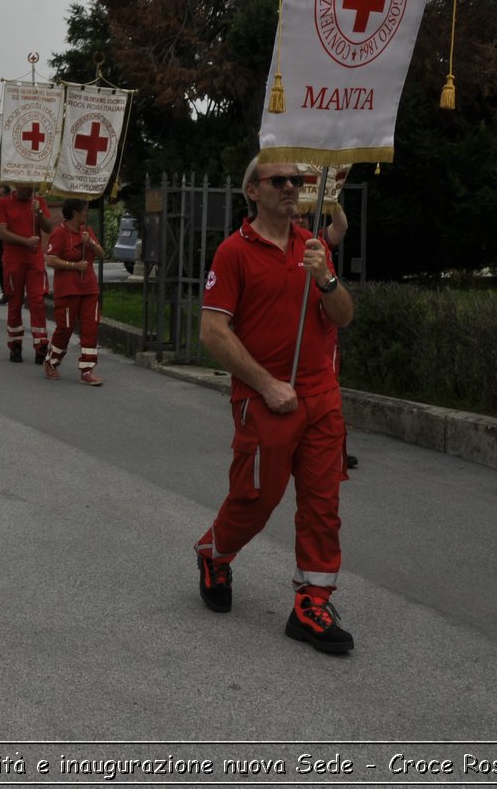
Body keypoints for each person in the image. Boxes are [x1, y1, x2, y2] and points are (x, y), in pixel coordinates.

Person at [193, 158, 356, 656]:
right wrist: (266, 385)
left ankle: (312, 601)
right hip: (266, 399)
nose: (291, 188)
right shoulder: (233, 252)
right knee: (256, 500)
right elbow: (212, 332)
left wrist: (326, 278)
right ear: (252, 191)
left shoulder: (315, 246)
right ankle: (214, 553)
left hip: (321, 396)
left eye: (298, 181)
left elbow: (343, 317)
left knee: (322, 504)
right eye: (279, 181)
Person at [44, 197, 106, 385]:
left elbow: (102, 254)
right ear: (75, 213)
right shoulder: (59, 233)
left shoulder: (87, 232)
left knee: (90, 328)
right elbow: (50, 259)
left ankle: (87, 370)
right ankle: (51, 362)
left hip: (89, 288)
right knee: (65, 328)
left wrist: (91, 244)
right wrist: (73, 265)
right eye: (84, 211)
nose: (87, 214)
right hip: (68, 290)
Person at [0, 181, 53, 364]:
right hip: (13, 260)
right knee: (15, 302)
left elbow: (49, 228)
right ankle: (15, 344)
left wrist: (39, 213)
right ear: (17, 185)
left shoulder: (38, 201)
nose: (28, 190)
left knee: (37, 301)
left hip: (34, 260)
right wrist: (25, 241)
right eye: (24, 187)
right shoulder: (3, 203)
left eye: (30, 187)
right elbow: (2, 233)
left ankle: (41, 344)